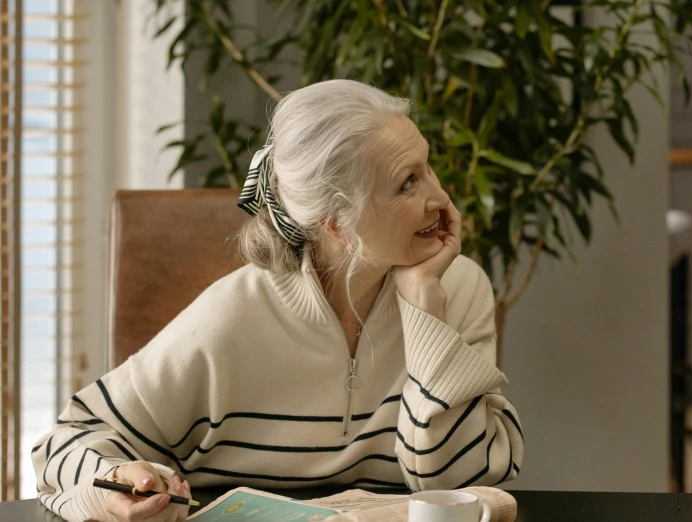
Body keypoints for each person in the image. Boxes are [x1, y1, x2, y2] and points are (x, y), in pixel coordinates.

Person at [33, 79, 524, 522]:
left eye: (427, 167)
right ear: (335, 221)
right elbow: (64, 443)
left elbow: (459, 489)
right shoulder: (230, 316)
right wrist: (116, 486)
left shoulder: (456, 288)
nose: (441, 197)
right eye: (407, 183)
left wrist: (425, 312)